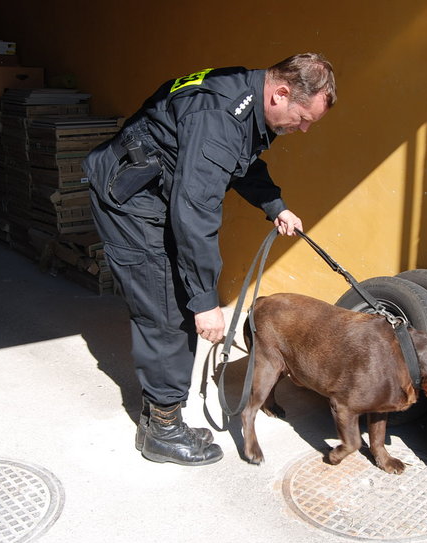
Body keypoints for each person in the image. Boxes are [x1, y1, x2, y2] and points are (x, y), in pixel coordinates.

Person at [82, 53, 336, 466]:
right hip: (129, 200)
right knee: (166, 311)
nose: (304, 128)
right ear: (282, 93)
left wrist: (275, 205)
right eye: (304, 117)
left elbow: (241, 164)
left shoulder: (246, 100)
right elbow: (193, 211)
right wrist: (205, 301)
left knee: (174, 301)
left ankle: (157, 416)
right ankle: (162, 430)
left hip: (154, 188)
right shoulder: (220, 116)